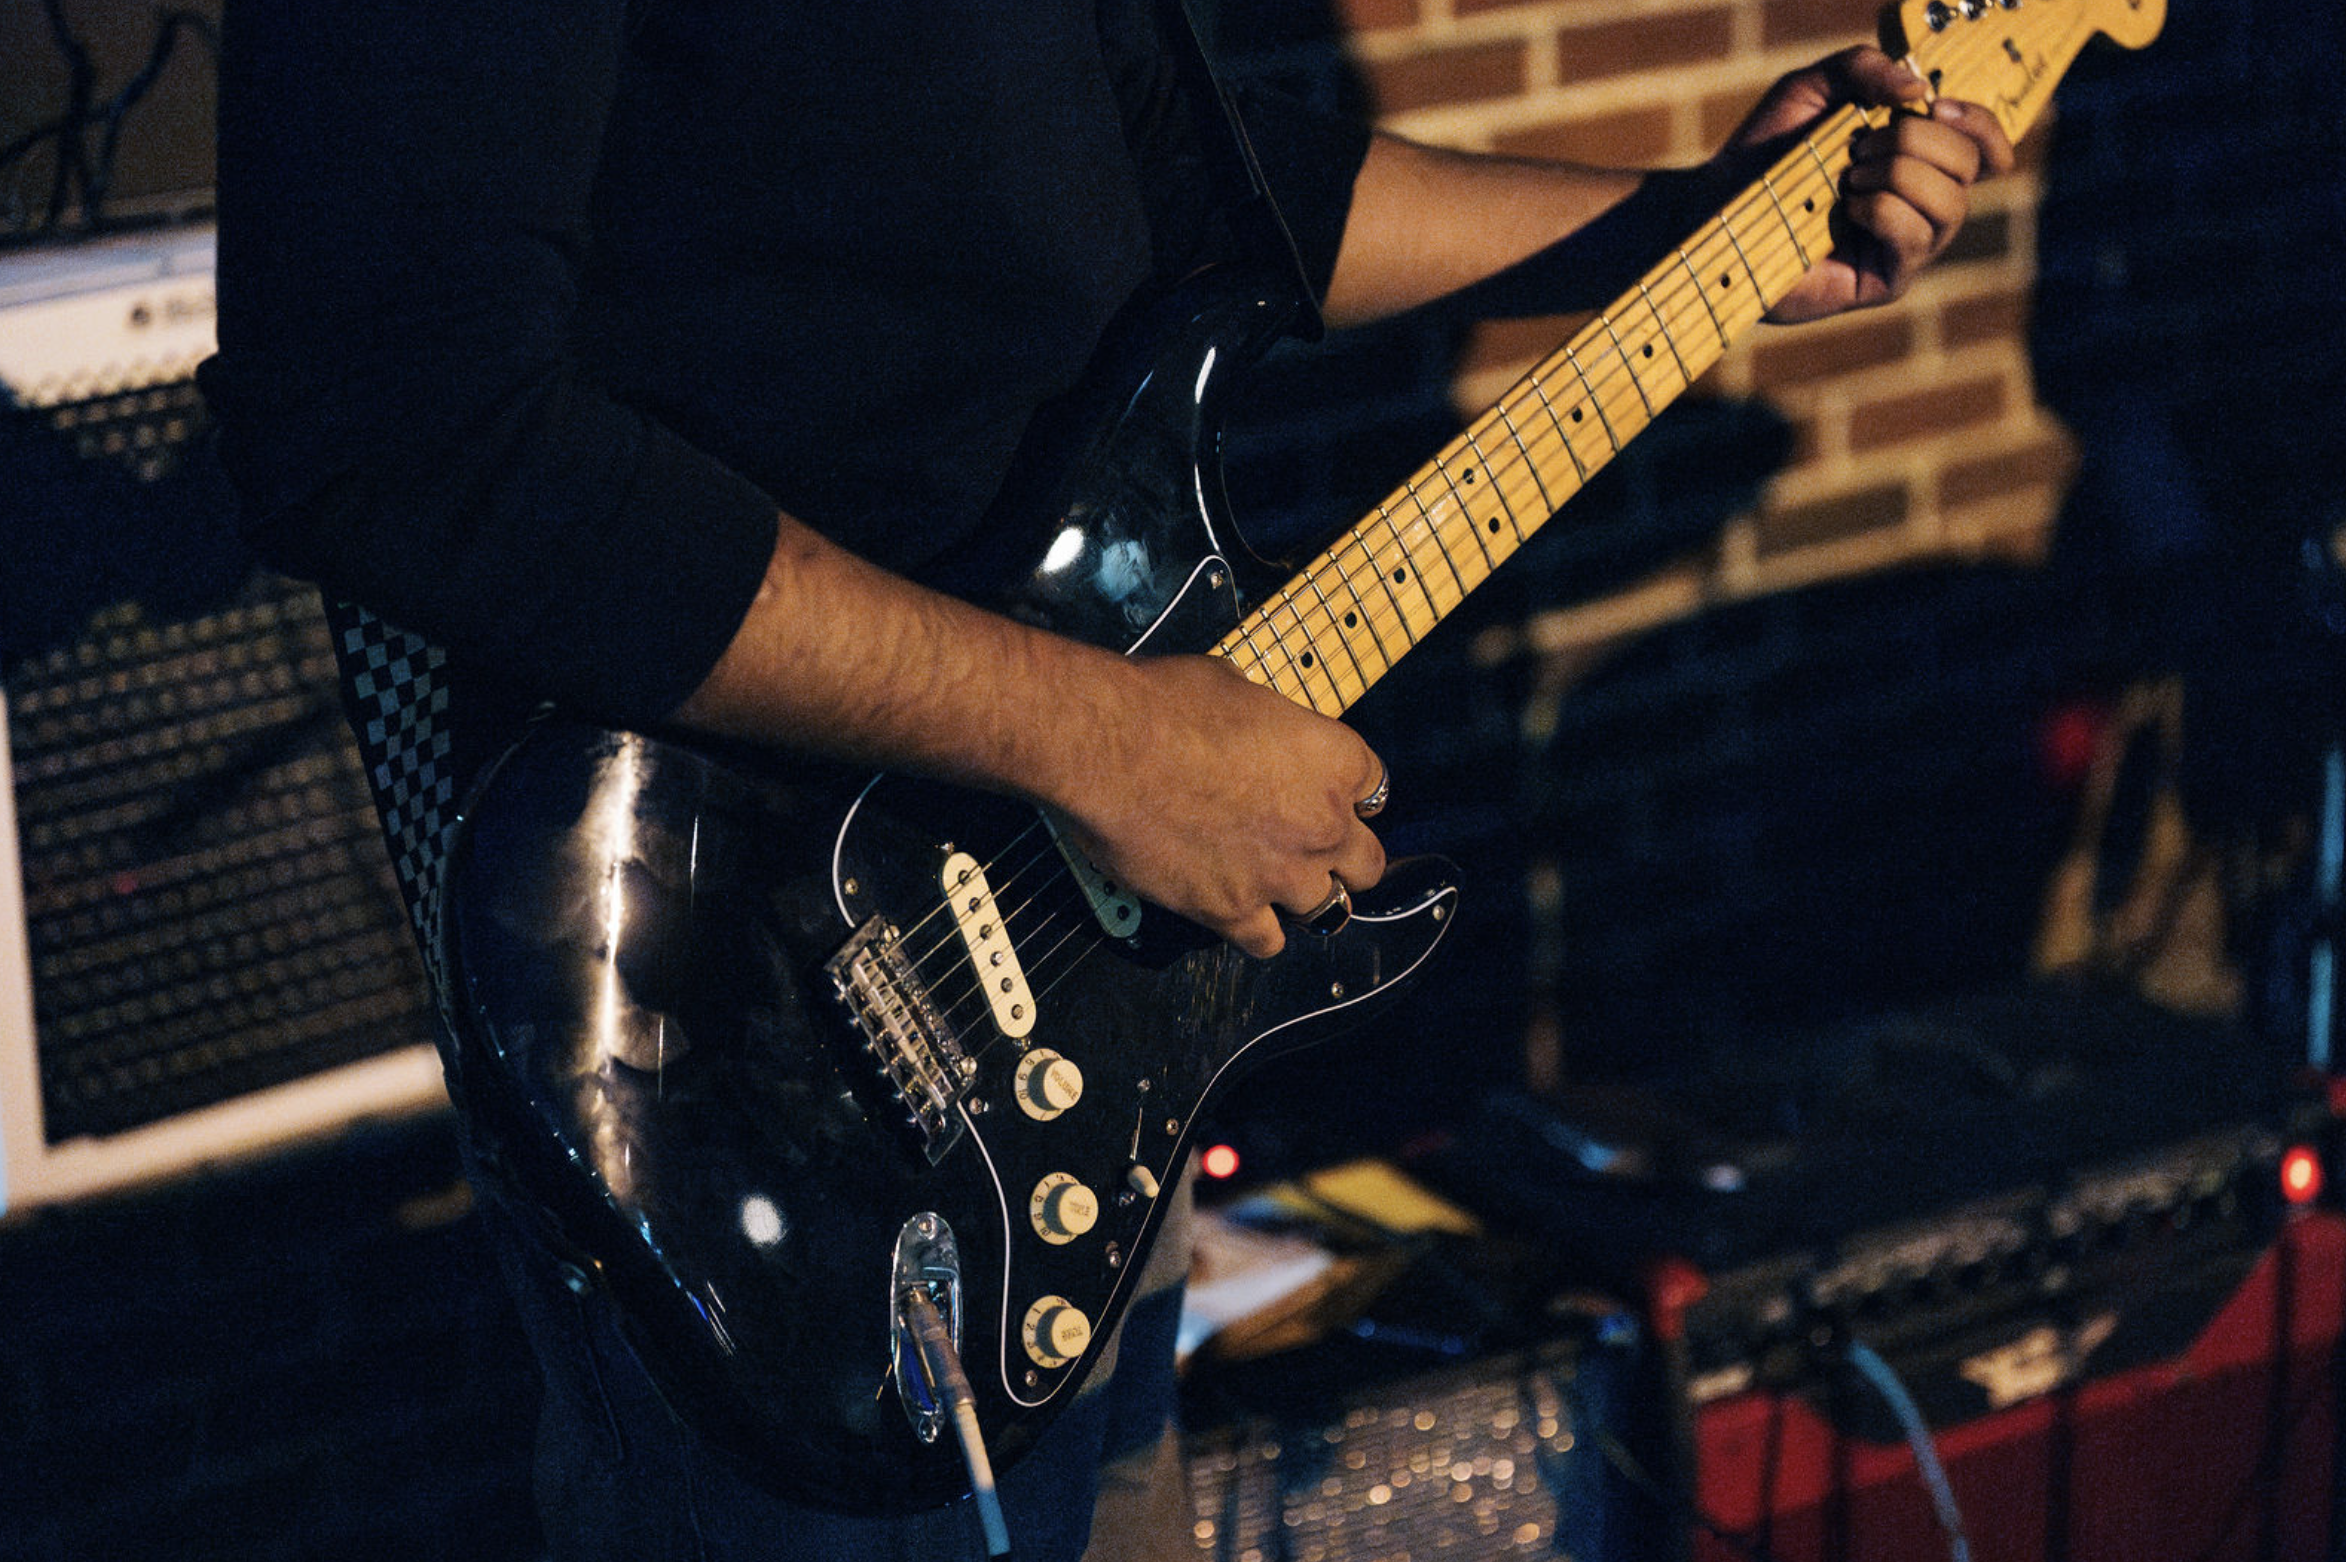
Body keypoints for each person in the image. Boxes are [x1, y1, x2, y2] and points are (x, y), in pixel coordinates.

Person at [196, 2, 2011, 1558]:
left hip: (1066, 958)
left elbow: (1177, 188)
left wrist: (1697, 237)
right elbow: (393, 430)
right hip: (754, 1002)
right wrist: (1099, 739)